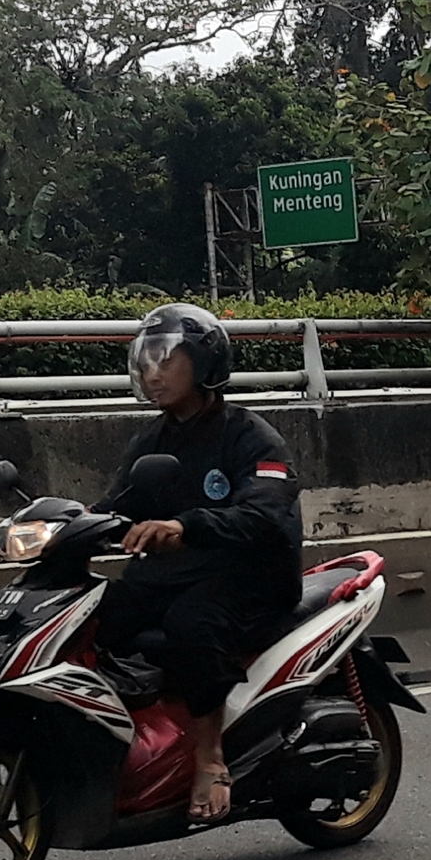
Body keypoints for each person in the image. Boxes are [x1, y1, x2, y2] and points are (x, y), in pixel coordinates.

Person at [94, 303, 303, 824]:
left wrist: (186, 526)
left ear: (205, 362)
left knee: (192, 622)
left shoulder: (252, 437)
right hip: (176, 576)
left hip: (249, 579)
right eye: (146, 361)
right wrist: (45, 525)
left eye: (166, 359)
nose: (152, 373)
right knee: (100, 612)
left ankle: (210, 757)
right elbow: (114, 509)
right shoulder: (152, 441)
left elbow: (265, 515)